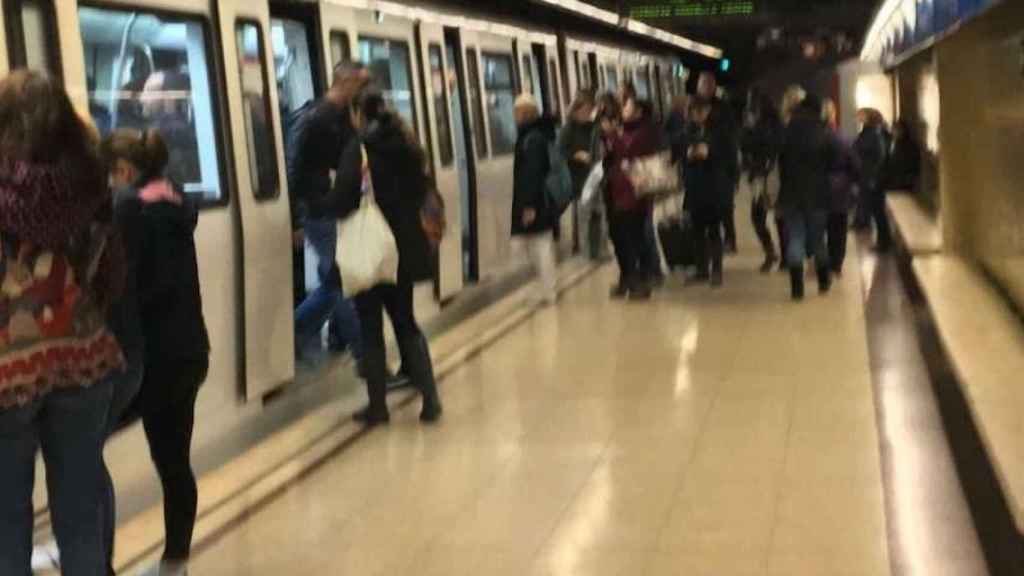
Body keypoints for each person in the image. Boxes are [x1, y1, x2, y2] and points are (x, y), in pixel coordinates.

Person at [0, 70, 125, 576]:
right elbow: (111, 271)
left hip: (7, 377)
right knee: (78, 513)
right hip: (84, 359)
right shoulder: (90, 182)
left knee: (6, 523)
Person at [102, 129, 211, 576]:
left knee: (81, 450)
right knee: (174, 462)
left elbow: (129, 292)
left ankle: (92, 557)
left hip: (151, 362)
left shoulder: (131, 215)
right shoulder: (174, 208)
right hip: (188, 352)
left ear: (124, 172)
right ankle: (175, 561)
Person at [327, 91, 442, 425]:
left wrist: (324, 202)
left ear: (357, 113)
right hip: (403, 250)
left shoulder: (359, 149)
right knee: (405, 321)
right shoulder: (408, 145)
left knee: (370, 326)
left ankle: (378, 407)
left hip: (371, 249)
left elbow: (343, 198)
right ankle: (430, 399)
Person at [287, 60, 370, 367]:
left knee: (332, 282)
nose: (363, 92)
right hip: (317, 212)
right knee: (344, 280)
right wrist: (295, 220)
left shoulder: (342, 118)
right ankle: (366, 356)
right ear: (345, 82)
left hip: (333, 209)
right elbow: (294, 169)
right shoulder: (315, 118)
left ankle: (294, 331)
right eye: (360, 85)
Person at [777, 93, 838, 300]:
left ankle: (797, 288)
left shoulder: (787, 130)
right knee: (818, 239)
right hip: (818, 194)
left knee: (796, 238)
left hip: (791, 194)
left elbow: (781, 162)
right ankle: (823, 281)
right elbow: (833, 161)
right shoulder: (824, 131)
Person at [603, 98, 660, 300]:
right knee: (620, 237)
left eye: (626, 107)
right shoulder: (624, 130)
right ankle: (628, 279)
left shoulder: (644, 132)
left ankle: (641, 282)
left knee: (634, 238)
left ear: (638, 112)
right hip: (619, 192)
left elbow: (628, 150)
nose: (622, 109)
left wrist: (611, 134)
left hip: (634, 193)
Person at [513, 93, 560, 306]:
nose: (514, 115)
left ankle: (548, 290)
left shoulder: (532, 139)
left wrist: (529, 206)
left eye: (517, 111)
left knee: (539, 246)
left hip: (536, 202)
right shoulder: (535, 135)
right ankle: (544, 288)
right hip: (540, 201)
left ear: (526, 113)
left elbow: (531, 174)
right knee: (539, 245)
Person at [683, 98, 730, 287]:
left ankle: (717, 270)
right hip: (695, 187)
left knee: (713, 230)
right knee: (697, 231)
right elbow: (683, 150)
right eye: (694, 112)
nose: (697, 115)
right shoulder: (690, 130)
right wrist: (690, 154)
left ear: (708, 110)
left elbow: (722, 154)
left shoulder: (719, 130)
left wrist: (705, 153)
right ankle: (702, 269)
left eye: (700, 111)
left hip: (713, 186)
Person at [695, 71, 740, 254]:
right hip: (701, 169)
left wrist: (733, 170)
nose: (705, 88)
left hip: (722, 166)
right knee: (709, 210)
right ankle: (712, 244)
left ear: (713, 87)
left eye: (708, 85)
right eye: (702, 84)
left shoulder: (724, 109)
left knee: (725, 206)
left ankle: (729, 239)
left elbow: (730, 140)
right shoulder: (694, 107)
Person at [741, 91, 783, 273]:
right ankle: (784, 256)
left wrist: (747, 130)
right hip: (776, 176)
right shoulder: (779, 125)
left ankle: (771, 252)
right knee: (780, 218)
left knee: (758, 217)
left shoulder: (758, 127)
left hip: (763, 176)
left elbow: (747, 145)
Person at [822, 99, 861, 277]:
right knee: (839, 228)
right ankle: (836, 263)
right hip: (841, 187)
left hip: (820, 186)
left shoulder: (816, 137)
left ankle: (823, 260)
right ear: (833, 115)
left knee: (822, 227)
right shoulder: (842, 138)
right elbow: (854, 164)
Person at [853, 109, 891, 250]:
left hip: (873, 178)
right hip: (867, 176)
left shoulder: (874, 134)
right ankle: (882, 241)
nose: (858, 117)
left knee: (878, 211)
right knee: (875, 210)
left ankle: (884, 242)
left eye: (861, 114)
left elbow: (879, 157)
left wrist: (873, 176)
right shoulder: (867, 132)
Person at [884, 119, 921, 192]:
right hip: (890, 183)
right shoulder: (889, 143)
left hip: (903, 184)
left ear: (903, 130)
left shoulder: (910, 146)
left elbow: (914, 164)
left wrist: (908, 179)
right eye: (893, 129)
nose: (894, 132)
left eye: (897, 129)